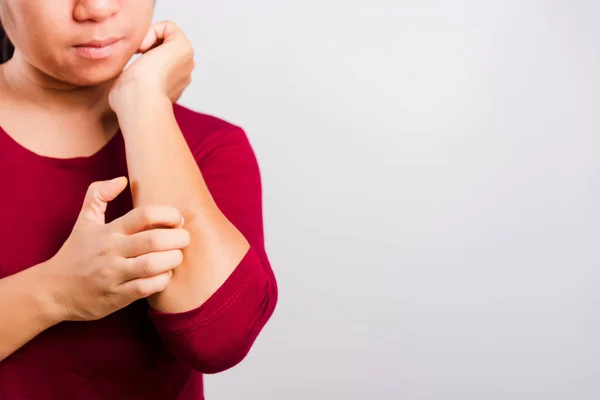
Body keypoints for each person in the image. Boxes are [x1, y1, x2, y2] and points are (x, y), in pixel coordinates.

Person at [0, 1, 278, 399]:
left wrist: (144, 100)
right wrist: (56, 291)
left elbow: (217, 339)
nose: (96, 8)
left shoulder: (212, 147)